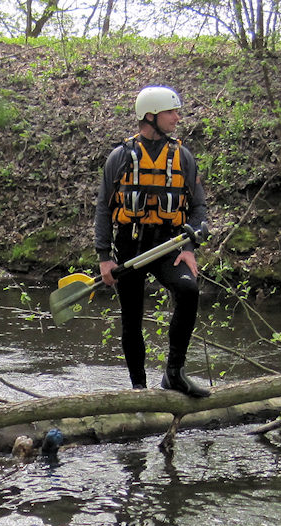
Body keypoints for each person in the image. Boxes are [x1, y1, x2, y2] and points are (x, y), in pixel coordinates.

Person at [94, 85, 209, 397]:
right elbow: (104, 209)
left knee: (187, 290)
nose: (177, 117)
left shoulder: (183, 157)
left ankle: (174, 373)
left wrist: (189, 245)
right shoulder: (119, 157)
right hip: (129, 246)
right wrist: (105, 256)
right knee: (131, 318)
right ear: (151, 116)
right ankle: (139, 390)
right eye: (171, 112)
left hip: (169, 245)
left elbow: (198, 208)